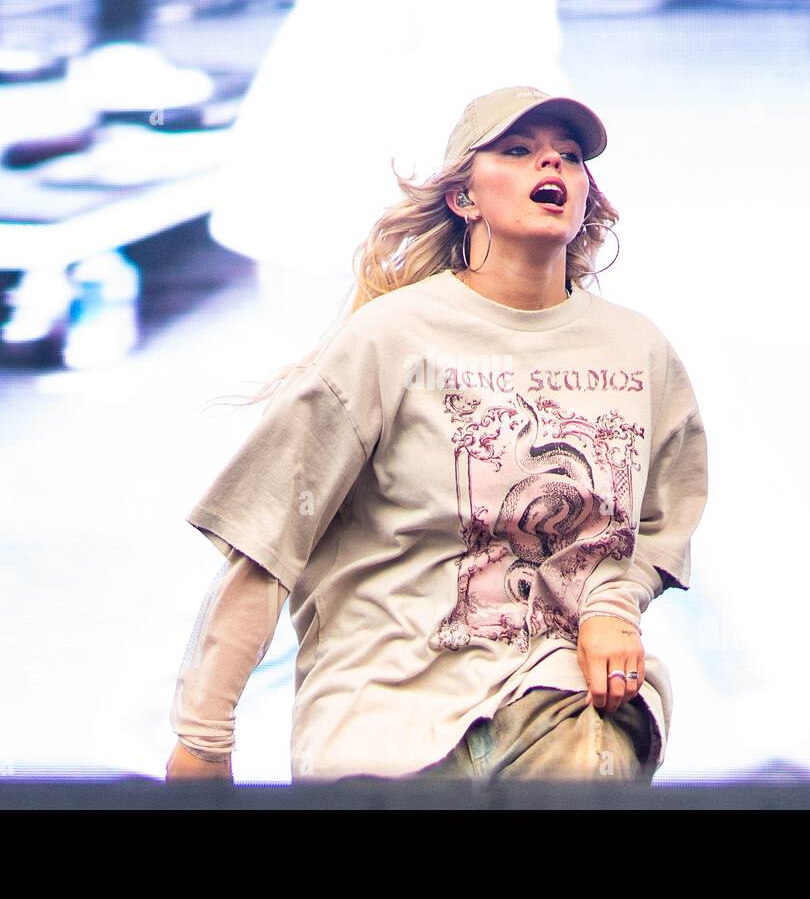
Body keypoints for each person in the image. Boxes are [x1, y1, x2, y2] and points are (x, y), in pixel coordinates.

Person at [165, 85, 709, 785]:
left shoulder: (638, 352)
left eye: (569, 157)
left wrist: (612, 606)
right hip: (384, 720)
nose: (552, 166)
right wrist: (203, 743)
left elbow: (664, 522)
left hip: (556, 700)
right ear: (464, 199)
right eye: (518, 151)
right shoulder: (388, 340)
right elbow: (266, 546)